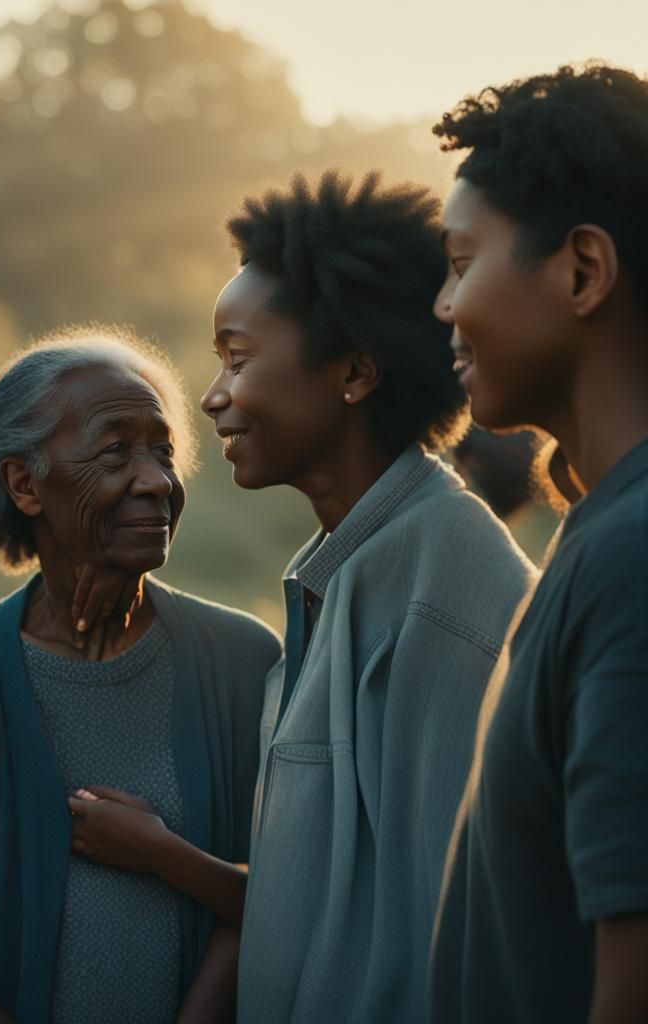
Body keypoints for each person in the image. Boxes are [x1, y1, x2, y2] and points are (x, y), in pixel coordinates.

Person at [66, 172, 535, 1022]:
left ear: (355, 371)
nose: (213, 396)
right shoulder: (342, 570)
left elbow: (443, 929)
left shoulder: (443, 594)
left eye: (237, 359)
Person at [0, 329, 280, 1024]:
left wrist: (163, 854)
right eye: (116, 451)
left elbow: (284, 900)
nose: (155, 480)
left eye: (164, 451)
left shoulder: (241, 663)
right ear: (26, 485)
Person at [428, 63, 648, 1023]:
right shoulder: (602, 531)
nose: (443, 307)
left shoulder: (632, 562)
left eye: (463, 263)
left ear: (583, 271)